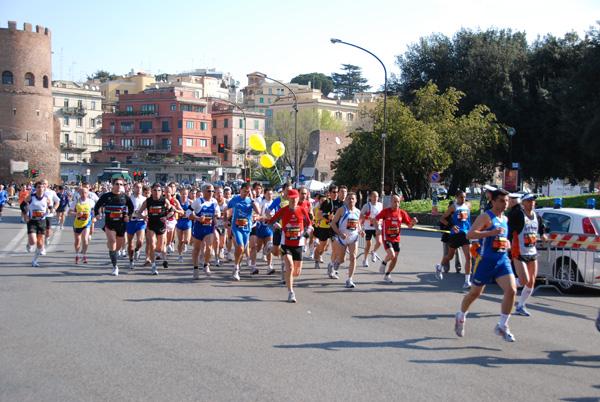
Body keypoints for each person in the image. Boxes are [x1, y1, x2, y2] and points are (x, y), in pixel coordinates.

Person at [454, 188, 517, 342]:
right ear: (493, 201)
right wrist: (490, 233)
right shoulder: (486, 217)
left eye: (507, 200)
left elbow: (501, 236)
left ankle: (502, 325)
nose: (505, 203)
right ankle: (461, 316)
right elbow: (470, 234)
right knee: (475, 294)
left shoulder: (505, 219)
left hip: (502, 260)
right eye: (502, 200)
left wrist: (506, 243)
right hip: (485, 261)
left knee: (512, 290)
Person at [267, 189, 312, 303]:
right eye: (291, 198)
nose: (294, 200)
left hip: (298, 244)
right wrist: (275, 228)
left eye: (295, 198)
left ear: (298, 199)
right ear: (288, 199)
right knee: (290, 267)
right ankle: (290, 292)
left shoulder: (302, 210)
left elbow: (309, 224)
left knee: (296, 272)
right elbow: (270, 222)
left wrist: (306, 232)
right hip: (286, 243)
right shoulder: (283, 211)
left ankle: (287, 272)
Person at [509, 193, 547, 316]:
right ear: (523, 203)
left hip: (532, 252)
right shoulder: (518, 215)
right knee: (524, 280)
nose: (532, 203)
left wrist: (544, 235)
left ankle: (521, 306)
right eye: (529, 200)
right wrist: (507, 243)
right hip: (519, 252)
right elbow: (509, 228)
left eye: (533, 201)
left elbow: (541, 229)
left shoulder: (537, 216)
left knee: (531, 281)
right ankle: (507, 283)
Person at [93, 177, 134, 276]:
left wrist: (128, 216)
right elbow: (97, 206)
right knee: (112, 242)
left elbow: (131, 207)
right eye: (117, 184)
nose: (119, 186)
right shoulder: (107, 196)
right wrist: (97, 214)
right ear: (113, 185)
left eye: (121, 184)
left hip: (121, 224)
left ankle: (114, 250)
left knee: (118, 247)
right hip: (110, 224)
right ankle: (115, 267)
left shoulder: (125, 197)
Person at [375, 195, 417, 283]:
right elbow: (376, 219)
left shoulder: (402, 213)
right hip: (387, 237)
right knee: (391, 255)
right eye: (394, 202)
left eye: (398, 202)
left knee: (395, 259)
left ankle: (387, 275)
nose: (396, 204)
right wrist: (377, 229)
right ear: (391, 202)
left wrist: (413, 223)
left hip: (397, 238)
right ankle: (384, 262)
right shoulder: (386, 211)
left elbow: (409, 225)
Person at [134, 183, 175, 275]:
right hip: (151, 225)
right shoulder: (148, 201)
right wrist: (143, 217)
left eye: (159, 190)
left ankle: (160, 256)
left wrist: (166, 217)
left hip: (161, 225)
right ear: (152, 191)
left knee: (159, 247)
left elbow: (171, 211)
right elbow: (139, 212)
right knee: (152, 244)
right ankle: (153, 266)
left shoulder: (164, 201)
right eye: (155, 190)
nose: (157, 192)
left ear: (161, 192)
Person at [435, 190, 473, 288]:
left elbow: (468, 221)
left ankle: (467, 281)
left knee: (468, 257)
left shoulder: (467, 206)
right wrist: (451, 226)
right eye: (461, 197)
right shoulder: (453, 207)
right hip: (455, 235)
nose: (463, 199)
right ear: (456, 197)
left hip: (465, 234)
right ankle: (439, 267)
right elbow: (442, 219)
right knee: (450, 256)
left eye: (464, 197)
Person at [330, 192, 365, 288]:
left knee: (353, 257)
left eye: (353, 199)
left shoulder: (358, 211)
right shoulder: (342, 210)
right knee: (342, 259)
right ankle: (335, 263)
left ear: (356, 200)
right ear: (346, 200)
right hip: (342, 238)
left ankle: (350, 279)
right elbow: (333, 224)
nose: (351, 201)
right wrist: (340, 234)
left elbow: (357, 224)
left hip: (353, 237)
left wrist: (361, 231)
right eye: (349, 199)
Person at [227, 183, 261, 281]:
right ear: (241, 190)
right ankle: (236, 269)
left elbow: (258, 212)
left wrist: (252, 200)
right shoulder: (235, 200)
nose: (246, 193)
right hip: (236, 227)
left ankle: (236, 265)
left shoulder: (251, 201)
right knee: (241, 248)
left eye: (248, 192)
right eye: (245, 191)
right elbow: (226, 208)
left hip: (247, 228)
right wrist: (226, 220)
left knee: (241, 250)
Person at [187, 184, 220, 279]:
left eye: (212, 191)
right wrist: (198, 218)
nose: (211, 193)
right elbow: (188, 213)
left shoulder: (214, 202)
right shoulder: (198, 201)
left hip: (209, 228)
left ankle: (206, 265)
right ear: (204, 191)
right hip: (199, 228)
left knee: (209, 248)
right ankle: (195, 268)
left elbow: (216, 212)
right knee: (197, 249)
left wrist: (215, 217)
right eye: (209, 191)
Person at [21, 181, 49, 267]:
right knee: (33, 241)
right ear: (35, 188)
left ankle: (35, 261)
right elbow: (22, 205)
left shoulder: (46, 198)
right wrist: (25, 214)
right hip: (32, 221)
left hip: (42, 221)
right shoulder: (31, 197)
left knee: (40, 243)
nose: (40, 189)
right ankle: (29, 243)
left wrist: (50, 209)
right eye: (39, 187)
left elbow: (50, 205)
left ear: (44, 188)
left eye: (42, 187)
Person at [67, 183, 95, 264]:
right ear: (79, 193)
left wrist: (95, 217)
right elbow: (69, 212)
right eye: (82, 193)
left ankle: (84, 256)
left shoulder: (91, 202)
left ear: (88, 193)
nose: (84, 194)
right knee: (77, 241)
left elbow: (94, 211)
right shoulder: (76, 202)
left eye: (85, 193)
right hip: (77, 224)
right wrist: (76, 214)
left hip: (86, 223)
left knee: (85, 239)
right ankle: (77, 254)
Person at [125, 182, 147, 269]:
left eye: (140, 187)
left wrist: (145, 216)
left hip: (140, 221)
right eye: (137, 187)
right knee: (130, 242)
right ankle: (131, 260)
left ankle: (137, 250)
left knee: (140, 241)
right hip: (131, 221)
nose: (138, 189)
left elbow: (146, 209)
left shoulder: (144, 199)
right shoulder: (129, 198)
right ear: (133, 188)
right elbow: (126, 209)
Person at [360, 191, 383, 267]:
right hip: (369, 228)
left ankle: (373, 252)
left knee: (379, 242)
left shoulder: (380, 205)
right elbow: (360, 215)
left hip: (377, 227)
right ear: (370, 197)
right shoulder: (367, 206)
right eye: (374, 196)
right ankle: (365, 259)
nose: (376, 198)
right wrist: (367, 217)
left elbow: (382, 216)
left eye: (377, 196)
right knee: (368, 245)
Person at [41, 179, 60, 252]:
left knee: (48, 230)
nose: (43, 185)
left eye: (45, 183)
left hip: (49, 214)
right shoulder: (37, 192)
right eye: (42, 183)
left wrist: (54, 208)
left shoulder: (51, 193)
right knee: (41, 231)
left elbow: (57, 201)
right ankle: (42, 248)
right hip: (40, 214)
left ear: (47, 185)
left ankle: (47, 238)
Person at [176, 187, 193, 263]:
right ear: (180, 194)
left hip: (187, 222)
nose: (184, 195)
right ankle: (180, 255)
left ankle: (185, 244)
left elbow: (194, 211)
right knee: (180, 240)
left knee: (187, 240)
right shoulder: (177, 202)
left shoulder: (190, 202)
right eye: (183, 194)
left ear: (188, 194)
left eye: (185, 194)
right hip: (179, 222)